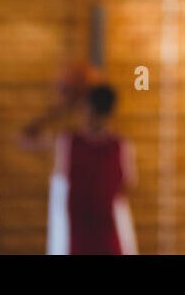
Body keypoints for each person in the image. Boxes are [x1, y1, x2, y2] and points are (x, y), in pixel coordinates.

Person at [20, 76, 138, 255]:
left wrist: (63, 108)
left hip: (101, 240)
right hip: (80, 240)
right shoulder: (71, 143)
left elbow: (25, 137)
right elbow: (24, 138)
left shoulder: (72, 143)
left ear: (87, 109)